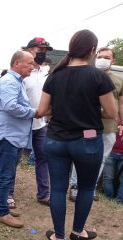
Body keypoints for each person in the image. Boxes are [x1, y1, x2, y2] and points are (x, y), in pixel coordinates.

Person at [37, 29, 117, 240]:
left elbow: (43, 110)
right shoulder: (98, 77)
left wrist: (64, 109)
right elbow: (111, 113)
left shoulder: (54, 75)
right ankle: (77, 231)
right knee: (86, 188)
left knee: (58, 189)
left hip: (55, 140)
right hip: (87, 139)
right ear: (92, 50)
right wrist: (87, 110)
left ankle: (58, 235)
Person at [69, 47, 123, 202]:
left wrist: (121, 123)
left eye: (106, 57)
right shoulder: (87, 75)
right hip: (90, 127)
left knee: (101, 159)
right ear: (95, 58)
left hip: (109, 128)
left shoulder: (119, 80)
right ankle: (74, 186)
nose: (102, 59)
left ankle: (89, 188)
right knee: (82, 155)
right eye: (100, 56)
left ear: (113, 61)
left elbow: (120, 104)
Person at [0, 51, 37, 228]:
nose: (32, 67)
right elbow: (11, 107)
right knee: (5, 174)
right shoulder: (10, 82)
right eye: (29, 63)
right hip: (8, 135)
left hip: (12, 135)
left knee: (3, 172)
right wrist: (35, 112)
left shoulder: (17, 82)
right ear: (17, 63)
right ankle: (2, 211)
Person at [23, 37, 53, 205]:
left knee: (43, 157)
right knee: (14, 158)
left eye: (45, 52)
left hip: (40, 124)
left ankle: (43, 194)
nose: (42, 54)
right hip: (22, 123)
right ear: (29, 50)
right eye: (40, 50)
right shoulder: (21, 72)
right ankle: (9, 194)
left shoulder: (45, 72)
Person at [103, 132, 123, 203]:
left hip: (111, 150)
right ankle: (112, 200)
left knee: (108, 178)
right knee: (107, 178)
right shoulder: (111, 121)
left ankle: (115, 200)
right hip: (110, 151)